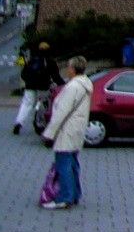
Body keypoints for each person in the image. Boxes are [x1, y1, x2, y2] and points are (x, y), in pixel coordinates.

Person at [40, 54, 92, 210]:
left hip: (67, 130)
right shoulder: (86, 84)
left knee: (64, 165)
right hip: (77, 129)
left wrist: (49, 133)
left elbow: (62, 112)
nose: (67, 69)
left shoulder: (73, 87)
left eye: (69, 67)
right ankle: (75, 194)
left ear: (73, 69)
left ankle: (65, 197)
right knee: (73, 163)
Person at [14, 41, 64, 135]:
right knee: (44, 103)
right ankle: (40, 122)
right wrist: (63, 85)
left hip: (30, 86)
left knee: (26, 104)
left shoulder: (32, 60)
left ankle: (19, 123)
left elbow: (24, 74)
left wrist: (28, 81)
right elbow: (56, 76)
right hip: (43, 86)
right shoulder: (50, 61)